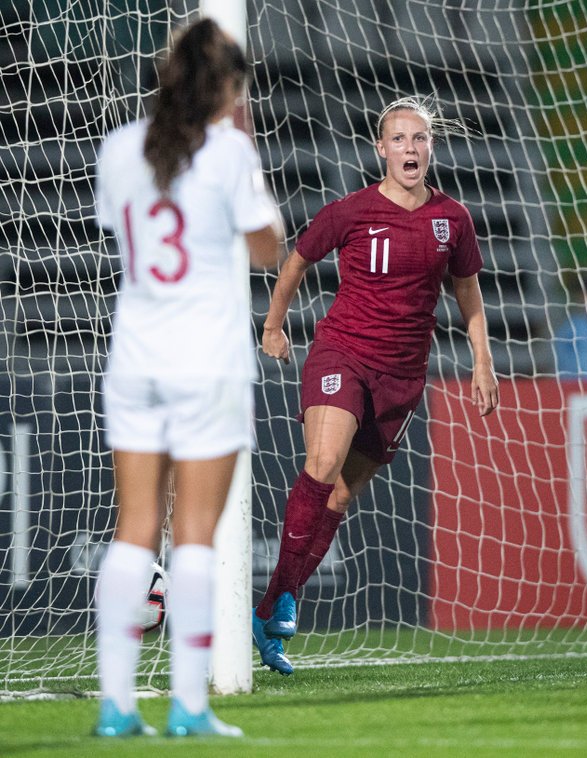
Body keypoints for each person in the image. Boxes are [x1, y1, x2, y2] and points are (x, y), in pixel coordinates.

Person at [251, 96, 499, 676]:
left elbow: (469, 296)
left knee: (339, 496)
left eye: (420, 139)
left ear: (430, 148)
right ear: (381, 149)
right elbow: (294, 263)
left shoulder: (453, 219)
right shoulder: (351, 211)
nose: (410, 149)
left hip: (403, 375)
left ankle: (270, 608)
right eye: (400, 139)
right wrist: (272, 325)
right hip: (342, 352)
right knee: (323, 461)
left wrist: (482, 362)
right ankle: (283, 601)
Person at [92, 18, 283, 738]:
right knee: (194, 534)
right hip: (208, 362)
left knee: (134, 529)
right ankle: (190, 707)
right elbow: (267, 249)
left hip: (137, 359)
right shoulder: (230, 151)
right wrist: (245, 147)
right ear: (227, 90)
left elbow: (126, 224)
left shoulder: (119, 150)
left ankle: (115, 706)